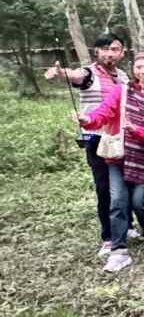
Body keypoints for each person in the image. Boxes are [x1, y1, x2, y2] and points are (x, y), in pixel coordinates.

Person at [77, 51, 144, 271]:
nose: (142, 71)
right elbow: (104, 112)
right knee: (118, 201)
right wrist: (88, 119)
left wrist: (136, 130)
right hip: (118, 155)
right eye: (138, 67)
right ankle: (119, 250)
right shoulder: (121, 90)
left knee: (140, 202)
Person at [44, 33, 129, 258]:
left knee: (124, 184)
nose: (110, 53)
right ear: (97, 52)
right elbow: (76, 75)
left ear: (122, 53)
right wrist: (61, 73)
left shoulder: (122, 75)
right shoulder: (90, 73)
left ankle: (127, 226)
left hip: (120, 136)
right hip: (96, 137)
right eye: (105, 49)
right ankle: (108, 237)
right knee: (104, 187)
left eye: (115, 49)